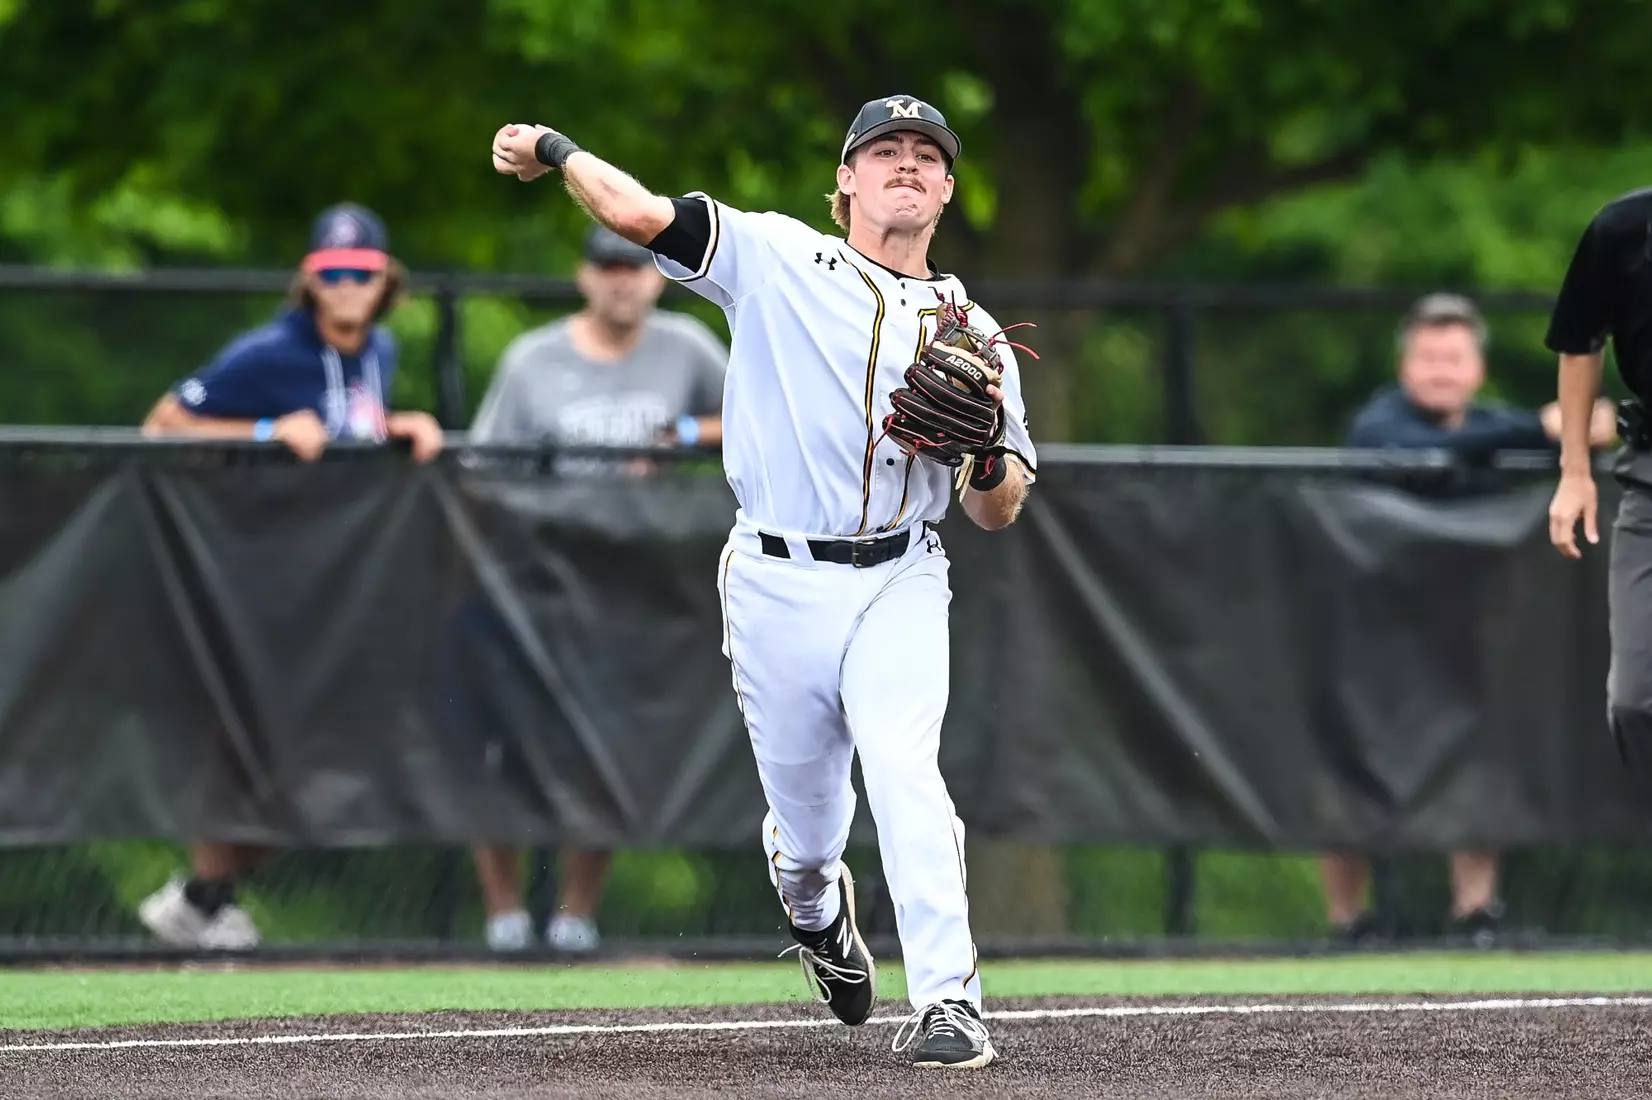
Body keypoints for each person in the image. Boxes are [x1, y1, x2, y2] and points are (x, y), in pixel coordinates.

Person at [491, 94, 1037, 1069]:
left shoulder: (977, 332)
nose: (904, 165)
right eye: (883, 151)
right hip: (775, 578)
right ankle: (818, 915)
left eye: (925, 155)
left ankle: (950, 1000)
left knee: (906, 773)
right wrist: (554, 146)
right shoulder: (776, 254)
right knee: (804, 836)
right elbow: (635, 214)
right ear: (843, 181)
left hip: (901, 574)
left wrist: (986, 451)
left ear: (947, 188)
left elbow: (999, 506)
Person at [135, 202, 445, 949]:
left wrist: (399, 425)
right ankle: (205, 900)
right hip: (256, 574)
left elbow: (351, 425)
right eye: (332, 273)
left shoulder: (379, 351)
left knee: (319, 763)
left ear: (384, 283)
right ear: (311, 280)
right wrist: (268, 431)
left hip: (334, 586)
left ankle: (200, 897)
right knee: (245, 744)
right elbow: (161, 423)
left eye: (360, 273)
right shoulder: (270, 351)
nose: (346, 286)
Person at [466, 223, 728, 954]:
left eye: (637, 266)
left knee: (605, 749)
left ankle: (576, 916)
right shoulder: (532, 361)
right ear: (585, 276)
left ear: (656, 277)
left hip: (633, 587)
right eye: (608, 266)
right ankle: (505, 919)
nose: (623, 279)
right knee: (506, 747)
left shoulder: (688, 348)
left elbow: (756, 416)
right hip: (537, 583)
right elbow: (484, 476)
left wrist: (682, 431)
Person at [1330, 292, 1615, 947]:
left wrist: (1575, 431)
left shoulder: (1494, 428)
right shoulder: (1380, 423)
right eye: (1428, 356)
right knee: (1352, 764)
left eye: (1454, 357)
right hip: (1375, 635)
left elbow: (1565, 443)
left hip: (1468, 637)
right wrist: (1542, 427)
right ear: (1405, 366)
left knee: (1480, 760)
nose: (1440, 370)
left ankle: (1476, 912)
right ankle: (1351, 921)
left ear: (1477, 369)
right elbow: (1403, 450)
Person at [1547, 186, 1652, 789]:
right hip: (1650, 478)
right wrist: (1575, 471)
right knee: (1636, 701)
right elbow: (1579, 343)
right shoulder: (1622, 228)